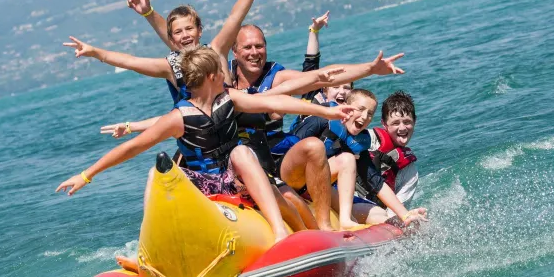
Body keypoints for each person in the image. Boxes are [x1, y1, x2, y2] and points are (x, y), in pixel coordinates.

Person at [56, 48, 356, 242]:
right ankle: (148, 247)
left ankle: (283, 232)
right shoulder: (179, 117)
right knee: (156, 174)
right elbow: (132, 147)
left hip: (235, 178)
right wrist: (86, 175)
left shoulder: (229, 98)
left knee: (243, 154)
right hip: (202, 185)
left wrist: (327, 111)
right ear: (212, 77)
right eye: (221, 73)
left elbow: (276, 101)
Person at [64, 0, 271, 104]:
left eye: (189, 29)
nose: (185, 36)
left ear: (200, 30)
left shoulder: (217, 51)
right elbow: (130, 61)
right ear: (172, 39)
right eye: (179, 33)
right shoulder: (171, 67)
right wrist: (94, 52)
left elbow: (236, 16)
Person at [290, 89, 427, 228]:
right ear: (346, 108)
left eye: (369, 114)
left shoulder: (358, 142)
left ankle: (349, 224)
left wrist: (405, 214)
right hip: (294, 177)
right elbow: (290, 147)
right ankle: (345, 220)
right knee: (347, 160)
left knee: (379, 215)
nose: (364, 116)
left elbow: (375, 181)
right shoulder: (321, 120)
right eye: (360, 109)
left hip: (317, 186)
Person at [354, 90, 419, 215]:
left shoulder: (410, 172)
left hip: (375, 213)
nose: (402, 128)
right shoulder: (367, 139)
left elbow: (395, 213)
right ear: (384, 124)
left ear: (414, 121)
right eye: (395, 123)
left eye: (407, 122)